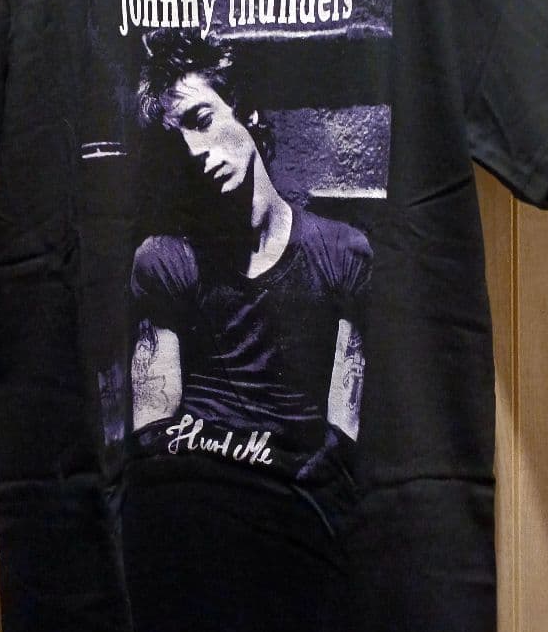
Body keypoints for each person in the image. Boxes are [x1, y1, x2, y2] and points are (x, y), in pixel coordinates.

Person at [128, 29, 372, 484]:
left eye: (201, 119)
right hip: (197, 494)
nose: (194, 151)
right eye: (176, 142)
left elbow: (343, 442)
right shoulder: (165, 261)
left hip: (301, 501)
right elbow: (153, 434)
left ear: (246, 110)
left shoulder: (342, 253)